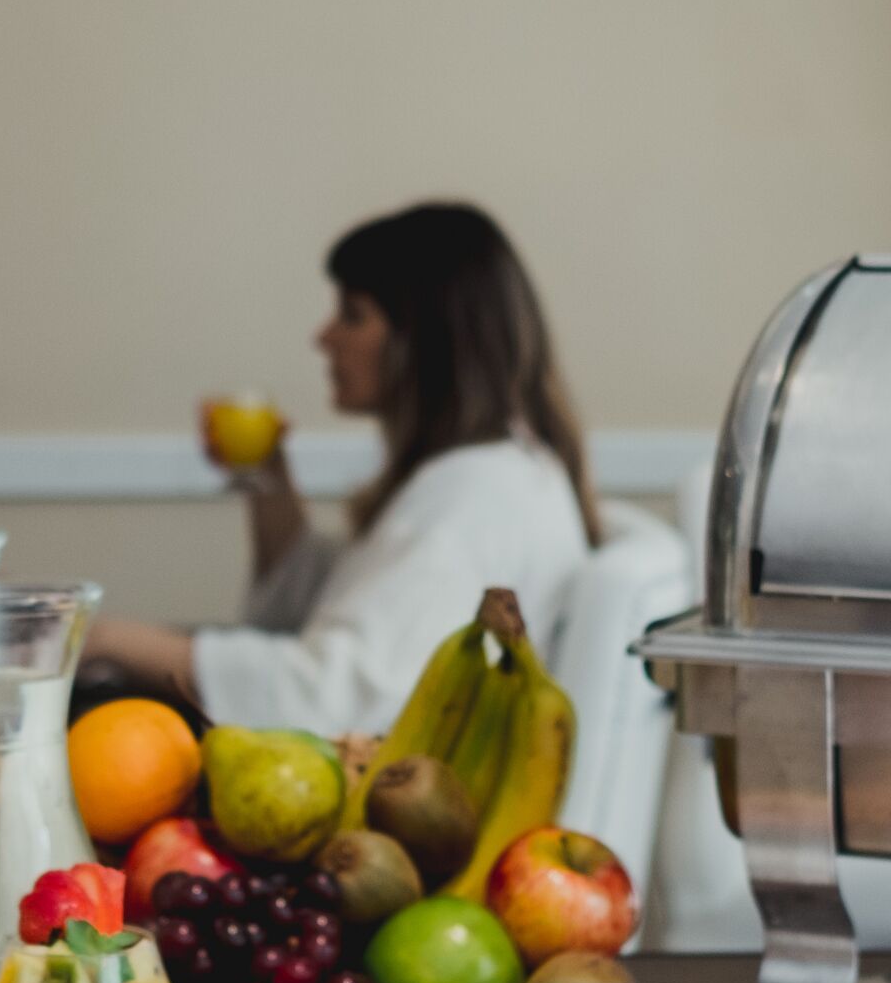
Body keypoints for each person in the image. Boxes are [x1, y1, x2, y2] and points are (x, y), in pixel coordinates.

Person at [90, 202, 596, 734]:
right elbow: (333, 608)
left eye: (353, 315)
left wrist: (106, 641)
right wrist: (270, 478)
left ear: (425, 341)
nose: (324, 337)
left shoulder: (471, 503)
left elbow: (333, 699)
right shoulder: (496, 472)